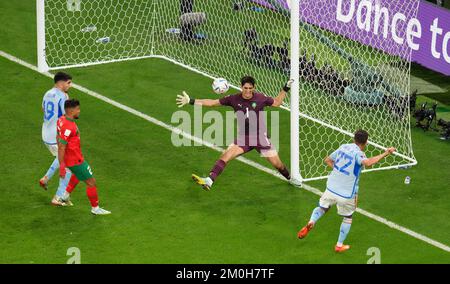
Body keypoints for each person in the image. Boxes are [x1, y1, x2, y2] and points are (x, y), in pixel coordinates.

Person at [176, 76, 295, 190]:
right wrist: (191, 100)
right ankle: (209, 180)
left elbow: (277, 102)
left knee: (278, 165)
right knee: (226, 155)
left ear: (254, 87)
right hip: (244, 138)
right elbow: (212, 103)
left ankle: (290, 178)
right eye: (245, 88)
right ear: (241, 87)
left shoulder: (261, 98)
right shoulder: (233, 99)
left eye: (250, 88)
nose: (248, 91)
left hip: (260, 138)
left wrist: (285, 88)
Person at [297, 130, 395, 252]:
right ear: (366, 142)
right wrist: (386, 153)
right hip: (346, 193)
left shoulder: (343, 147)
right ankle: (339, 245)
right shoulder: (359, 155)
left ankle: (312, 221)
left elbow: (327, 160)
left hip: (331, 188)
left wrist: (340, 172)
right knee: (348, 216)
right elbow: (368, 163)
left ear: (354, 139)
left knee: (323, 207)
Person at [57, 99, 111, 215]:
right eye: (78, 109)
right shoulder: (69, 127)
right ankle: (95, 208)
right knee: (91, 182)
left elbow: (59, 137)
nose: (79, 111)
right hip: (75, 160)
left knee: (76, 176)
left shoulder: (61, 119)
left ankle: (65, 196)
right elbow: (62, 146)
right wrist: (62, 166)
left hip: (71, 158)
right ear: (71, 110)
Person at [39, 72, 73, 206]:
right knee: (68, 165)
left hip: (45, 134)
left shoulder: (47, 93)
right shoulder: (63, 96)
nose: (70, 85)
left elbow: (43, 109)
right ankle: (58, 197)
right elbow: (67, 116)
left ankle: (46, 179)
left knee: (61, 158)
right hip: (56, 136)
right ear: (61, 82)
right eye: (69, 82)